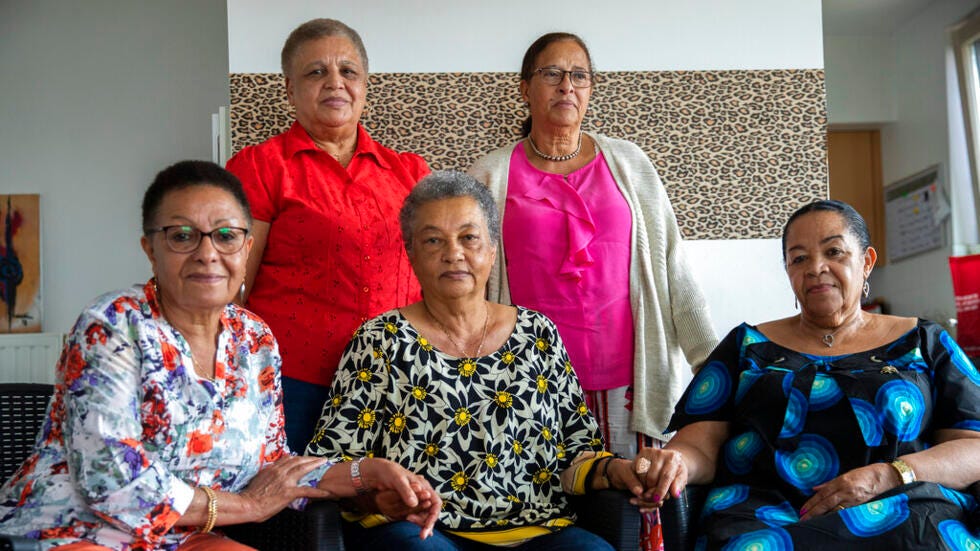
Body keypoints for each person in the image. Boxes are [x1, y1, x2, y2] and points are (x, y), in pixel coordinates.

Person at [0, 161, 440, 551]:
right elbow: (114, 484)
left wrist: (368, 476)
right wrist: (247, 506)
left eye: (226, 236)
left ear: (247, 250)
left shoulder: (255, 340)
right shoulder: (113, 325)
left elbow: (273, 466)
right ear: (149, 249)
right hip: (74, 529)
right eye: (182, 236)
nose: (207, 253)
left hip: (182, 535)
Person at [306, 171, 656, 550]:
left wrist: (624, 471)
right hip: (426, 533)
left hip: (538, 532)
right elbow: (328, 465)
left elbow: (577, 454)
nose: (453, 253)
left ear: (492, 250)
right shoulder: (380, 340)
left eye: (468, 238)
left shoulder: (538, 334)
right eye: (433, 240)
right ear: (411, 254)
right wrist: (375, 498)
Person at [467, 32, 717, 549]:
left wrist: (715, 369)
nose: (566, 85)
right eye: (551, 74)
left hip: (630, 383)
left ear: (591, 88)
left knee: (637, 514)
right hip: (528, 389)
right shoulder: (490, 174)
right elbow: (471, 287)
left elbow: (673, 268)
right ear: (524, 89)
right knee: (547, 518)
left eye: (578, 75)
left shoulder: (628, 163)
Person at [636, 200, 980, 549]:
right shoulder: (748, 345)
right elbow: (699, 445)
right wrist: (675, 462)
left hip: (899, 506)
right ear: (788, 271)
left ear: (867, 262)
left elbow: (974, 449)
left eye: (834, 251)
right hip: (765, 515)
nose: (816, 268)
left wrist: (888, 475)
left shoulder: (922, 341)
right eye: (799, 258)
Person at [225, 18, 429, 451]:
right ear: (289, 90)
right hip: (294, 381)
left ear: (365, 85)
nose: (335, 82)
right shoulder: (260, 166)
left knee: (393, 506)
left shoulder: (410, 171)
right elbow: (231, 287)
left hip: (400, 378)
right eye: (316, 72)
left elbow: (439, 274)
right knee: (299, 509)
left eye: (348, 71)